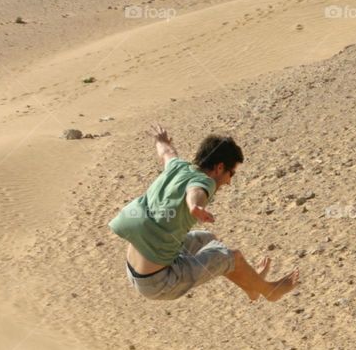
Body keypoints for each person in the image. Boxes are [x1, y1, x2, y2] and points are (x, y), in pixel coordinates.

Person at [109, 125, 299, 302]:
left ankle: (251, 287)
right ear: (219, 168)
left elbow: (166, 153)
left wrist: (161, 141)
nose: (229, 181)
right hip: (159, 283)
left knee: (208, 239)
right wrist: (195, 206)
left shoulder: (178, 167)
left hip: (134, 269)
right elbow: (195, 191)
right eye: (231, 173)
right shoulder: (206, 181)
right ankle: (270, 291)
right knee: (232, 257)